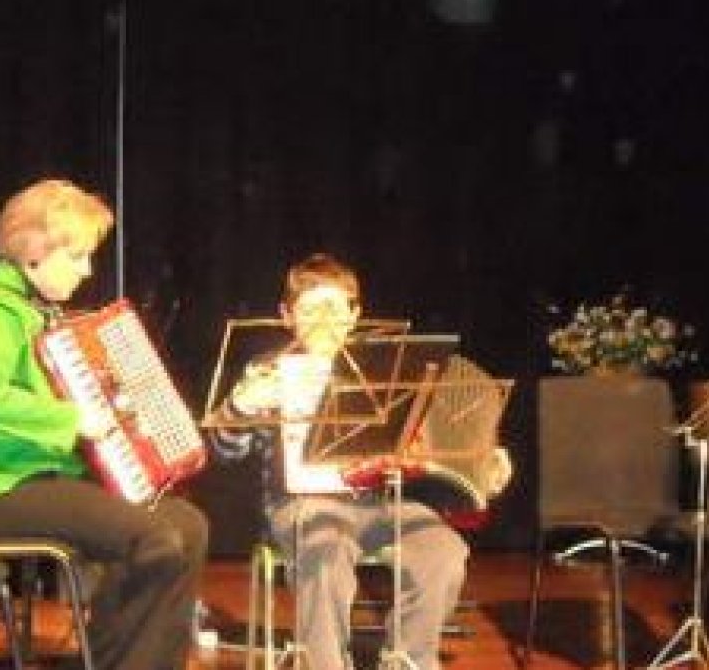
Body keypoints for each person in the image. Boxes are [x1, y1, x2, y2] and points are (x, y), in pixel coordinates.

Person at [0, 178, 209, 670]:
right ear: (36, 250)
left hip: (40, 477)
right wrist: (77, 417)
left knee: (189, 525)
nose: (86, 271)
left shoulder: (39, 314)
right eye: (78, 256)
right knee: (152, 540)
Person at [210, 253, 512, 670]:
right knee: (324, 550)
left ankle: (408, 660)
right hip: (302, 505)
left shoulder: (392, 372)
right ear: (286, 316)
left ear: (355, 314)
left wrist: (483, 459)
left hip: (386, 503)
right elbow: (225, 451)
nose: (323, 318)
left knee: (444, 551)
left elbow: (438, 440)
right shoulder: (269, 372)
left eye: (335, 307)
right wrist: (241, 408)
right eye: (310, 307)